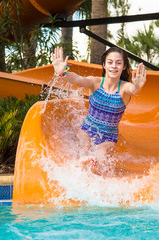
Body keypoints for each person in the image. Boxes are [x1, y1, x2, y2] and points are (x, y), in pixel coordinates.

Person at [51, 46, 147, 176]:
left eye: (118, 63)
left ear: (124, 67)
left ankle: (91, 167)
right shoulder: (95, 82)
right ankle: (82, 163)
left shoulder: (124, 88)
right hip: (87, 129)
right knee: (85, 146)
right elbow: (78, 79)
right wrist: (63, 73)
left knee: (100, 154)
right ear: (104, 65)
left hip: (108, 138)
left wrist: (137, 86)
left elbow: (133, 89)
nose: (114, 66)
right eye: (110, 62)